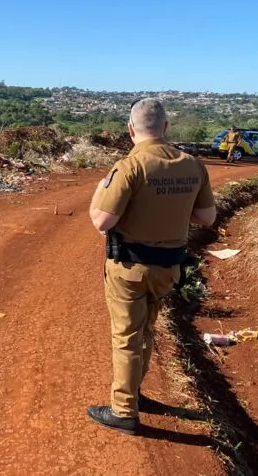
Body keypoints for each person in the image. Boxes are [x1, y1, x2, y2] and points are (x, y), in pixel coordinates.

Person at [87, 98, 217, 435]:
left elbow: (102, 221)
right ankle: (136, 393)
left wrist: (100, 189)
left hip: (129, 268)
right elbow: (207, 218)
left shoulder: (129, 167)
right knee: (146, 331)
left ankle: (123, 410)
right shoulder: (193, 165)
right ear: (166, 128)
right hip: (168, 271)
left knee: (127, 337)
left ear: (131, 130)